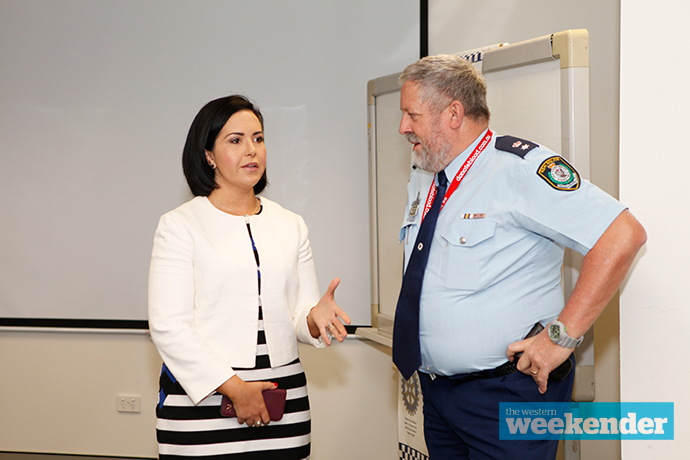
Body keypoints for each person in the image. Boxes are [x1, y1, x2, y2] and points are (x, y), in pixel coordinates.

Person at [391, 55, 647, 459]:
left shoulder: (519, 169)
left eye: (412, 114)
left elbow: (622, 235)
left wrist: (561, 337)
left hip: (507, 394)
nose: (403, 127)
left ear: (453, 113)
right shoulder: (427, 176)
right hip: (437, 394)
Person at [148, 95, 350, 459]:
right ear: (208, 154)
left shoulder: (291, 224)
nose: (251, 150)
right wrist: (236, 389)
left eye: (258, 138)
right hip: (205, 400)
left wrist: (315, 320)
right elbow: (167, 326)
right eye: (235, 140)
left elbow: (298, 316)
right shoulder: (179, 226)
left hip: (282, 399)